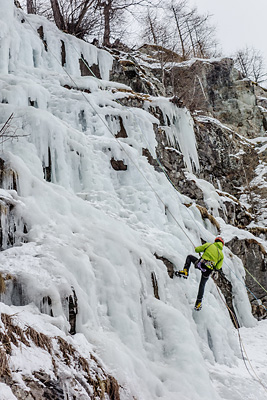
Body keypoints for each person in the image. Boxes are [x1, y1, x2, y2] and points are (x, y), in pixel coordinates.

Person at [176, 237, 224, 311]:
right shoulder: (221, 255)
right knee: (202, 285)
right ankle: (198, 302)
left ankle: (185, 271)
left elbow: (197, 250)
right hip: (208, 270)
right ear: (222, 245)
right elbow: (217, 267)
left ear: (215, 241)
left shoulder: (209, 245)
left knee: (189, 257)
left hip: (201, 264)